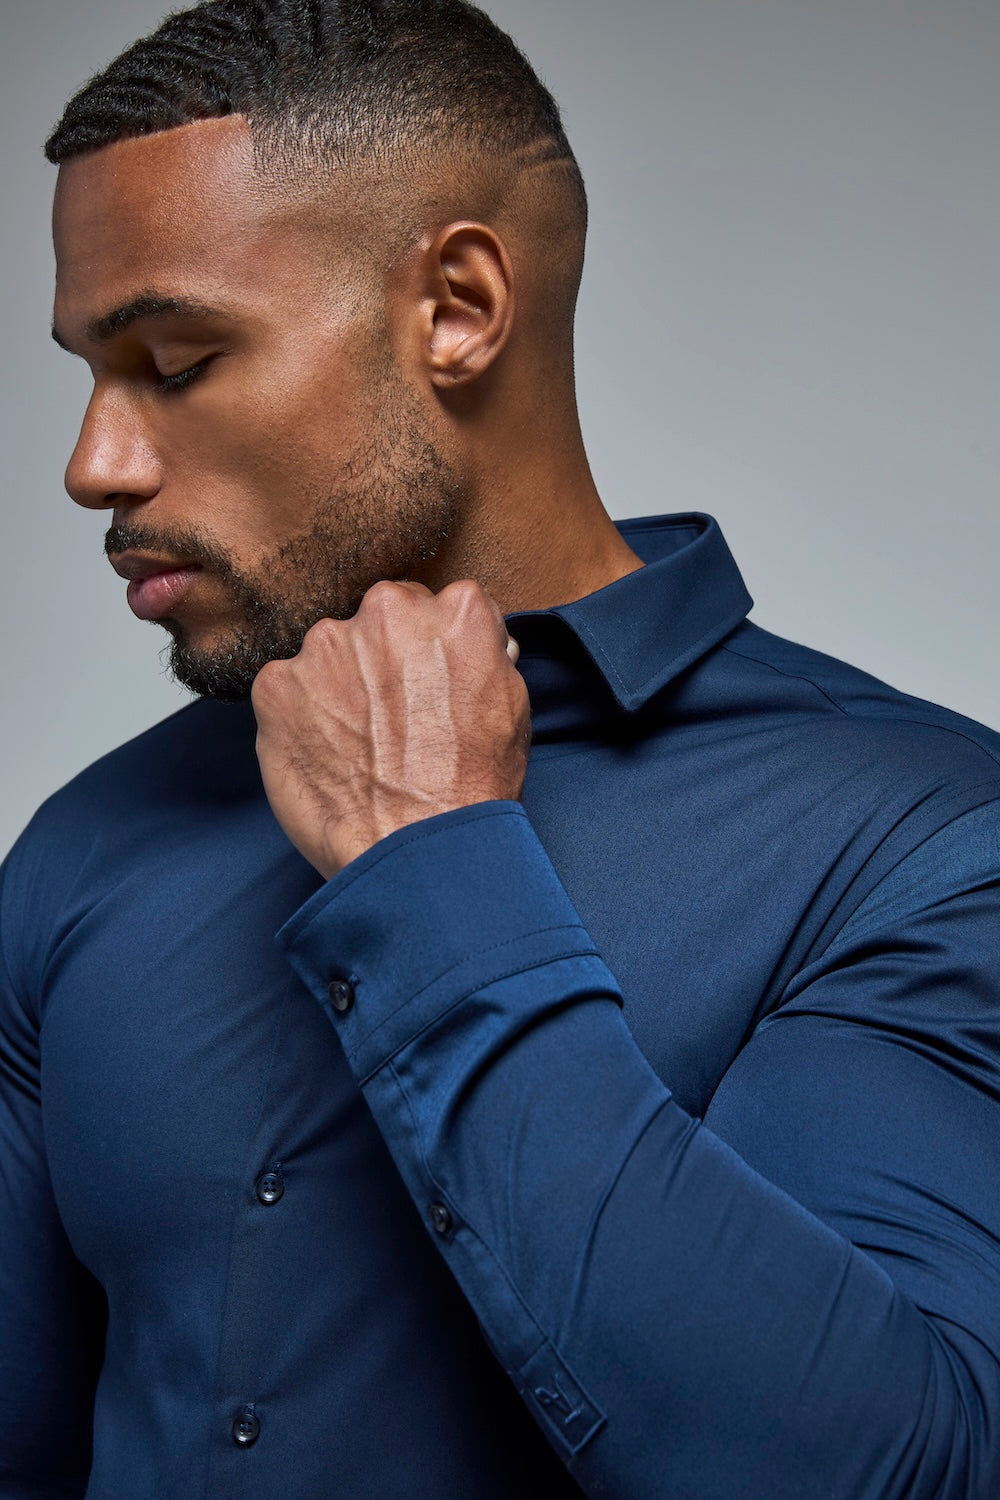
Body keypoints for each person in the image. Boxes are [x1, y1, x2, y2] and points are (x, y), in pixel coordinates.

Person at [2, 0, 999, 1495]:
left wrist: (430, 867)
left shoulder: (924, 840)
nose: (96, 465)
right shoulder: (88, 845)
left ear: (459, 309)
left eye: (178, 359)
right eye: (90, 371)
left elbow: (872, 1473)